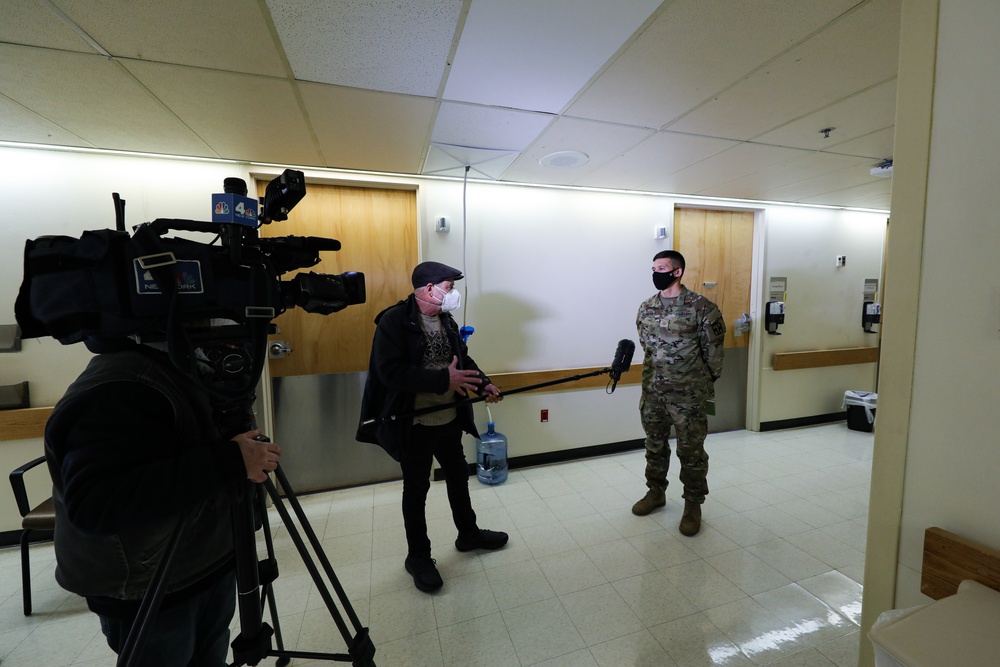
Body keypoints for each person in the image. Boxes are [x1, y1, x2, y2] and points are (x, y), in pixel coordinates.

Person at [43, 338, 282, 666]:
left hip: (209, 559)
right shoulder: (122, 385)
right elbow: (96, 504)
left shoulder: (188, 365)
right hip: (150, 586)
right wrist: (230, 461)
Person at [357, 261, 508, 593]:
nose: (453, 293)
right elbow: (390, 373)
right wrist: (444, 379)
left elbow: (462, 363)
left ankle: (468, 534)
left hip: (449, 417)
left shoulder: (447, 321)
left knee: (457, 476)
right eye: (449, 286)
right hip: (414, 423)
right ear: (428, 289)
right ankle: (418, 557)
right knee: (416, 489)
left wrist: (483, 384)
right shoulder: (394, 322)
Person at [632, 250, 725, 536]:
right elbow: (646, 345)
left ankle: (693, 505)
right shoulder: (646, 307)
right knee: (655, 447)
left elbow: (714, 355)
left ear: (677, 272)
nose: (655, 272)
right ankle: (656, 493)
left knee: (691, 452)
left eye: (661, 268)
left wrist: (700, 385)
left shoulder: (701, 307)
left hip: (689, 397)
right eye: (653, 268)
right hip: (653, 393)